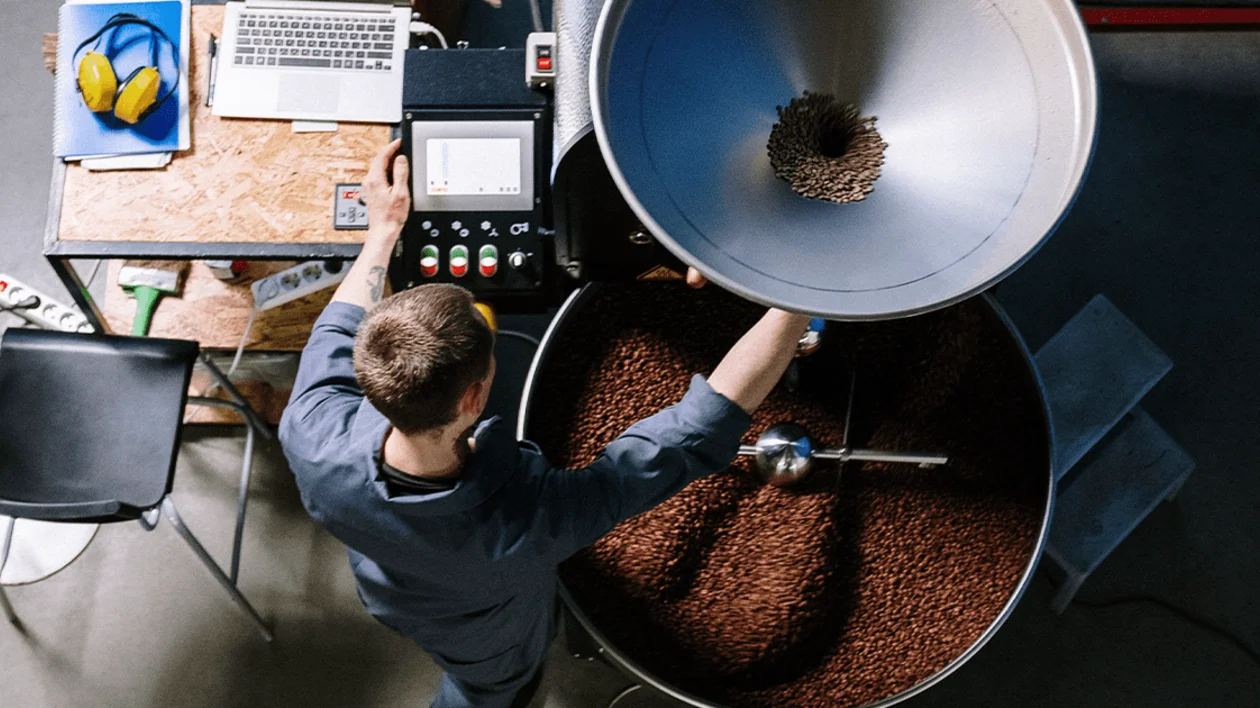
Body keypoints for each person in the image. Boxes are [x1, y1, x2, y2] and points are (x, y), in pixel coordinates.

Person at [278, 140, 812, 708]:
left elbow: (337, 326)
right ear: (475, 395)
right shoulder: (527, 524)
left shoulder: (310, 432)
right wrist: (798, 297)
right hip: (481, 631)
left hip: (391, 591)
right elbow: (693, 432)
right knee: (492, 686)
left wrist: (384, 229)